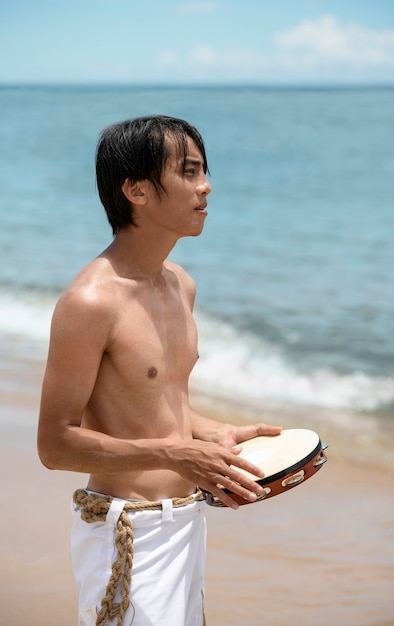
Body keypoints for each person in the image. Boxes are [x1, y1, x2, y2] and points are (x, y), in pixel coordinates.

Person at [37, 115, 281, 626]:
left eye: (204, 170)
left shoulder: (181, 285)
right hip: (127, 533)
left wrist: (213, 436)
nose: (206, 185)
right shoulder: (89, 302)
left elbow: (160, 406)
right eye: (189, 172)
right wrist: (175, 452)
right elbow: (54, 444)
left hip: (189, 522)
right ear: (136, 190)